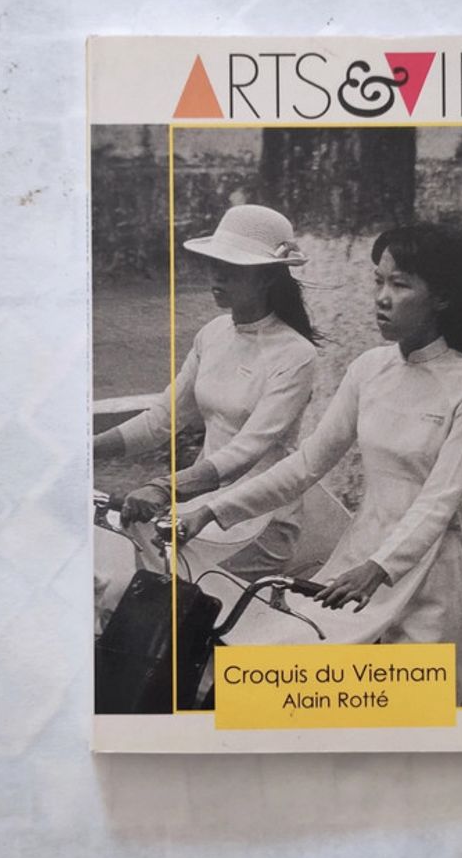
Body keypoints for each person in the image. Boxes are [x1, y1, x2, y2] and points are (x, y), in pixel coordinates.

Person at [177, 224, 462, 706]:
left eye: (400, 284)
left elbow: (439, 499)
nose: (382, 298)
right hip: (359, 554)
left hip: (428, 573)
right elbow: (307, 464)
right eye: (378, 281)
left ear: (443, 297)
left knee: (421, 709)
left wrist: (379, 568)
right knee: (275, 683)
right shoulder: (369, 368)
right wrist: (213, 510)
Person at [94, 204, 320, 580]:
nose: (218, 274)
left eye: (233, 266)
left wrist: (164, 487)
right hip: (198, 506)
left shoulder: (296, 354)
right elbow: (160, 421)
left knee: (164, 592)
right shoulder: (213, 333)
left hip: (258, 520)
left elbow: (246, 451)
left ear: (267, 277)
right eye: (215, 262)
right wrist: (84, 450)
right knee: (114, 570)